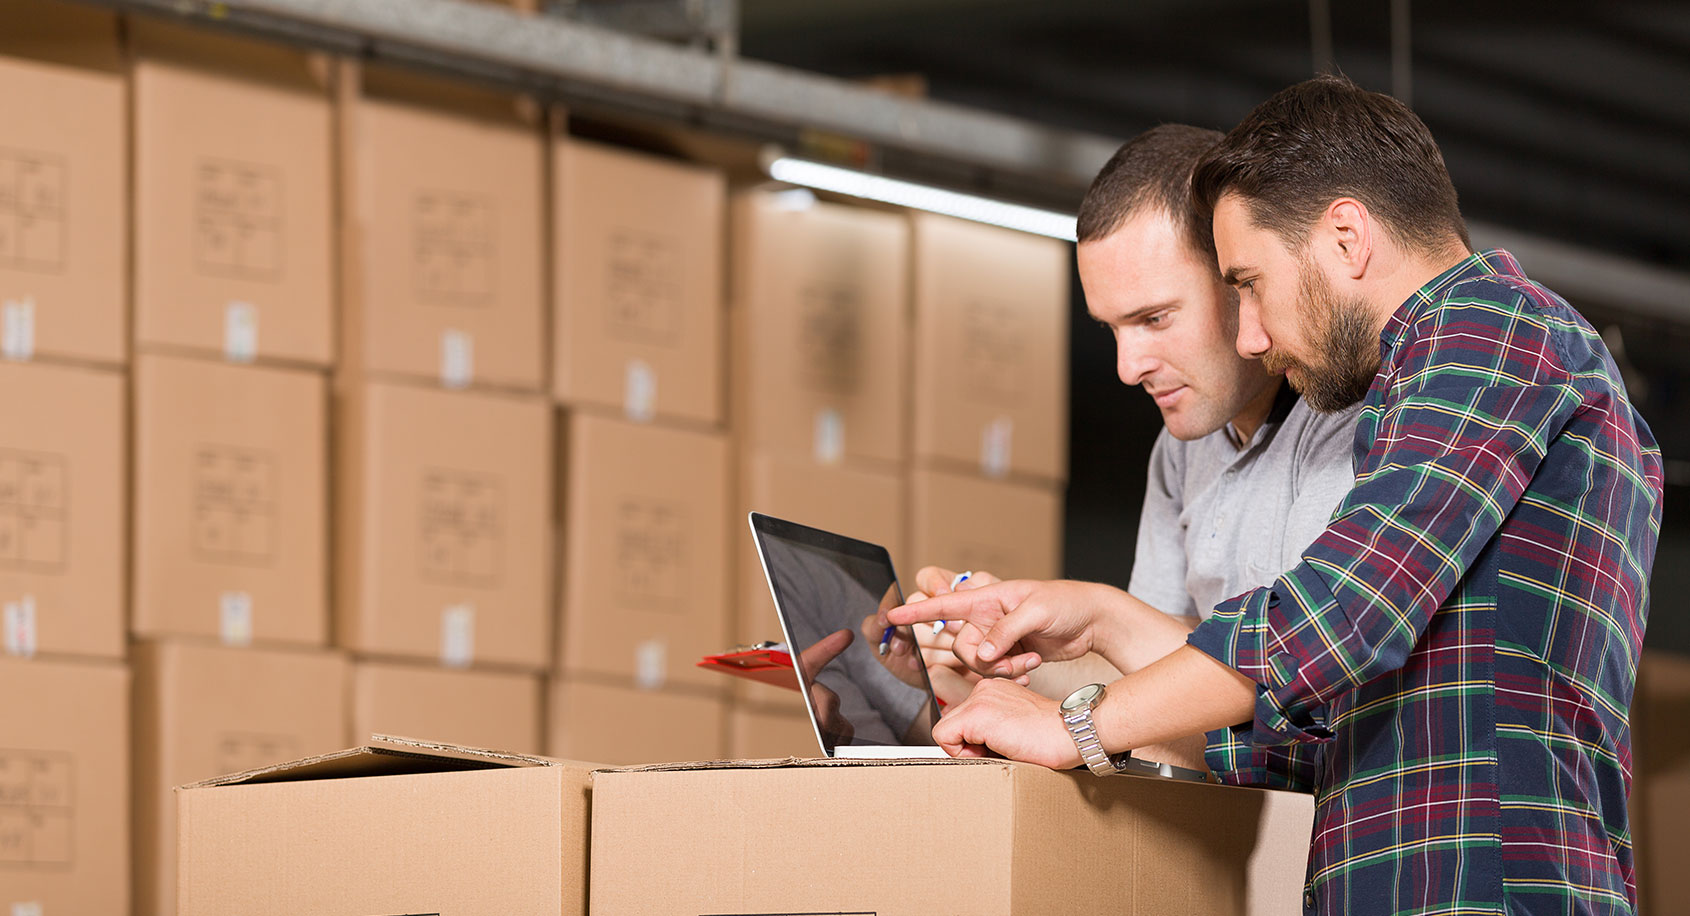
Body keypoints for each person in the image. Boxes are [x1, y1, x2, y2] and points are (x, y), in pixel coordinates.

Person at [890, 75, 1662, 916]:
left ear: (1347, 238)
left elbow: (1339, 612)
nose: (1251, 333)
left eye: (1250, 282)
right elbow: (1310, 735)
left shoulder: (1495, 329)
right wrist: (1081, 644)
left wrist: (1076, 722)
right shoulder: (1429, 382)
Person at [910, 123, 1360, 777]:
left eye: (1154, 318)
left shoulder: (1348, 424)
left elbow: (1298, 689)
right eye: (1112, 329)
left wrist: (1102, 618)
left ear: (1241, 279)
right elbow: (1149, 692)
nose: (1128, 367)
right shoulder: (1181, 451)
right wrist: (1003, 660)